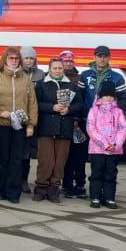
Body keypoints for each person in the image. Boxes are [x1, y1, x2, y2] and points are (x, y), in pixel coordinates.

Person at [0, 46, 38, 203]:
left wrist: (30, 125)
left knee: (17, 159)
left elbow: (32, 104)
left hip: (20, 126)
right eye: (11, 58)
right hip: (1, 124)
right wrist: (0, 112)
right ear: (5, 59)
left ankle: (14, 192)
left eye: (16, 58)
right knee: (4, 158)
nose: (14, 61)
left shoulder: (26, 79)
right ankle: (1, 190)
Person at [33, 57, 82, 202]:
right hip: (46, 127)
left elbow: (80, 104)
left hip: (64, 128)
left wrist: (69, 109)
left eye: (60, 68)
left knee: (60, 161)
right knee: (45, 160)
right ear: (50, 69)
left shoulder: (72, 86)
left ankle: (54, 189)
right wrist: (52, 107)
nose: (58, 70)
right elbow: (35, 104)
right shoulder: (42, 85)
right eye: (55, 68)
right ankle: (41, 188)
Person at [87, 79, 126, 209]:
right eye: (106, 96)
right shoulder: (94, 110)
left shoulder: (118, 111)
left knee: (111, 174)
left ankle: (109, 198)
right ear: (100, 96)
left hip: (113, 150)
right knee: (96, 173)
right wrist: (105, 144)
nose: (109, 98)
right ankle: (95, 197)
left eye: (111, 96)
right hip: (97, 150)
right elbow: (91, 128)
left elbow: (123, 128)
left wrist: (116, 144)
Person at [61, 56, 90, 198]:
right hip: (61, 123)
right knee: (65, 157)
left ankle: (80, 184)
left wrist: (77, 118)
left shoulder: (80, 78)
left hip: (77, 124)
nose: (67, 64)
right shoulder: (55, 78)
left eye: (70, 61)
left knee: (79, 155)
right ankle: (66, 184)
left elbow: (81, 101)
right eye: (64, 61)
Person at [19, 45, 45, 193]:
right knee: (17, 150)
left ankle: (24, 180)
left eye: (31, 58)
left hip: (34, 117)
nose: (28, 61)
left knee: (27, 152)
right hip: (18, 117)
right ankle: (15, 179)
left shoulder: (40, 74)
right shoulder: (16, 73)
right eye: (26, 58)